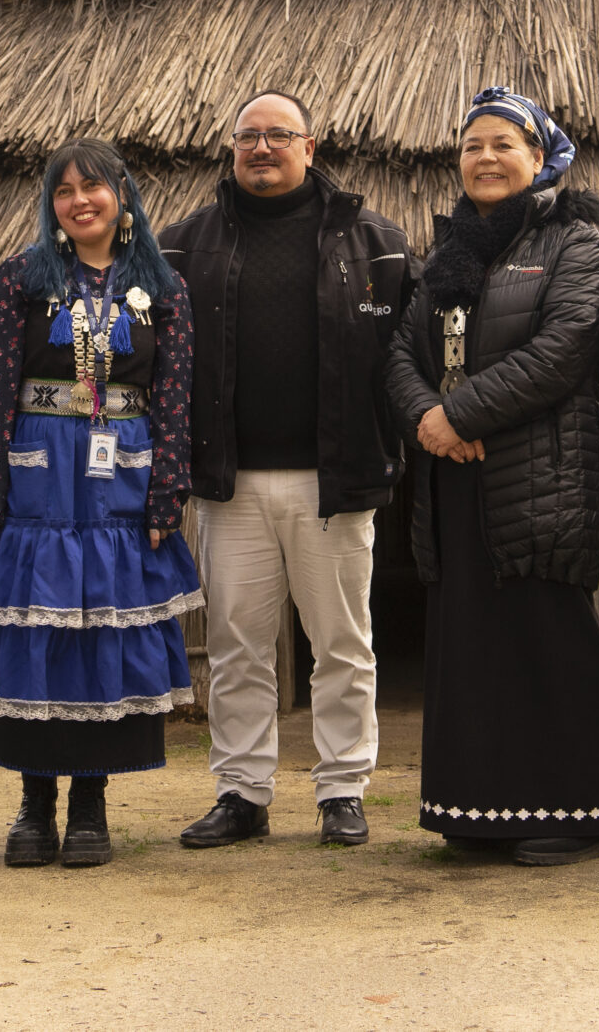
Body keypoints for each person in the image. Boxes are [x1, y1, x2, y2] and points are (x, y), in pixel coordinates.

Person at [158, 91, 411, 850]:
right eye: (248, 136)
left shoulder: (375, 242)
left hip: (334, 479)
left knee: (341, 642)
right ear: (232, 148)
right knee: (237, 644)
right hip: (230, 482)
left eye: (278, 135)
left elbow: (408, 354)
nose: (261, 148)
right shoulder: (184, 245)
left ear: (310, 146)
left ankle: (342, 789)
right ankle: (242, 791)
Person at [382, 86, 599, 865]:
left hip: (542, 473)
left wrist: (458, 414)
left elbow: (563, 347)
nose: (485, 158)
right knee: (471, 643)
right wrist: (427, 416)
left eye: (503, 144)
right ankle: (478, 811)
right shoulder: (446, 254)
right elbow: (401, 353)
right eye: (472, 145)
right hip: (455, 479)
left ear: (538, 157)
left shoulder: (574, 243)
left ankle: (578, 816)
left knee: (546, 637)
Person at [0, 139, 200, 869]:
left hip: (122, 473)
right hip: (39, 476)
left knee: (102, 630)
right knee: (39, 625)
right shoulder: (19, 279)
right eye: (63, 191)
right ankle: (34, 804)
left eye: (92, 187)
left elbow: (175, 397)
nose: (78, 201)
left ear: (121, 196)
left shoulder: (162, 286)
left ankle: (91, 803)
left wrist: (167, 492)